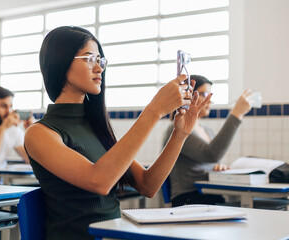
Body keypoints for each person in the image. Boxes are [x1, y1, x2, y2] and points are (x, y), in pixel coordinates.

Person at [24, 26, 212, 240]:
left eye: (101, 61)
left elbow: (148, 185)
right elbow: (99, 181)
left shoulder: (96, 127)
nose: (99, 68)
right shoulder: (39, 133)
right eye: (89, 59)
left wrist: (180, 134)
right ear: (60, 62)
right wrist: (153, 111)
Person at [163, 75, 253, 207]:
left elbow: (212, 159)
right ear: (189, 96)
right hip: (188, 200)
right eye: (204, 94)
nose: (209, 100)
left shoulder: (207, 130)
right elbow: (211, 154)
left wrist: (217, 167)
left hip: (209, 196)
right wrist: (236, 114)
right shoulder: (177, 128)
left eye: (210, 94)